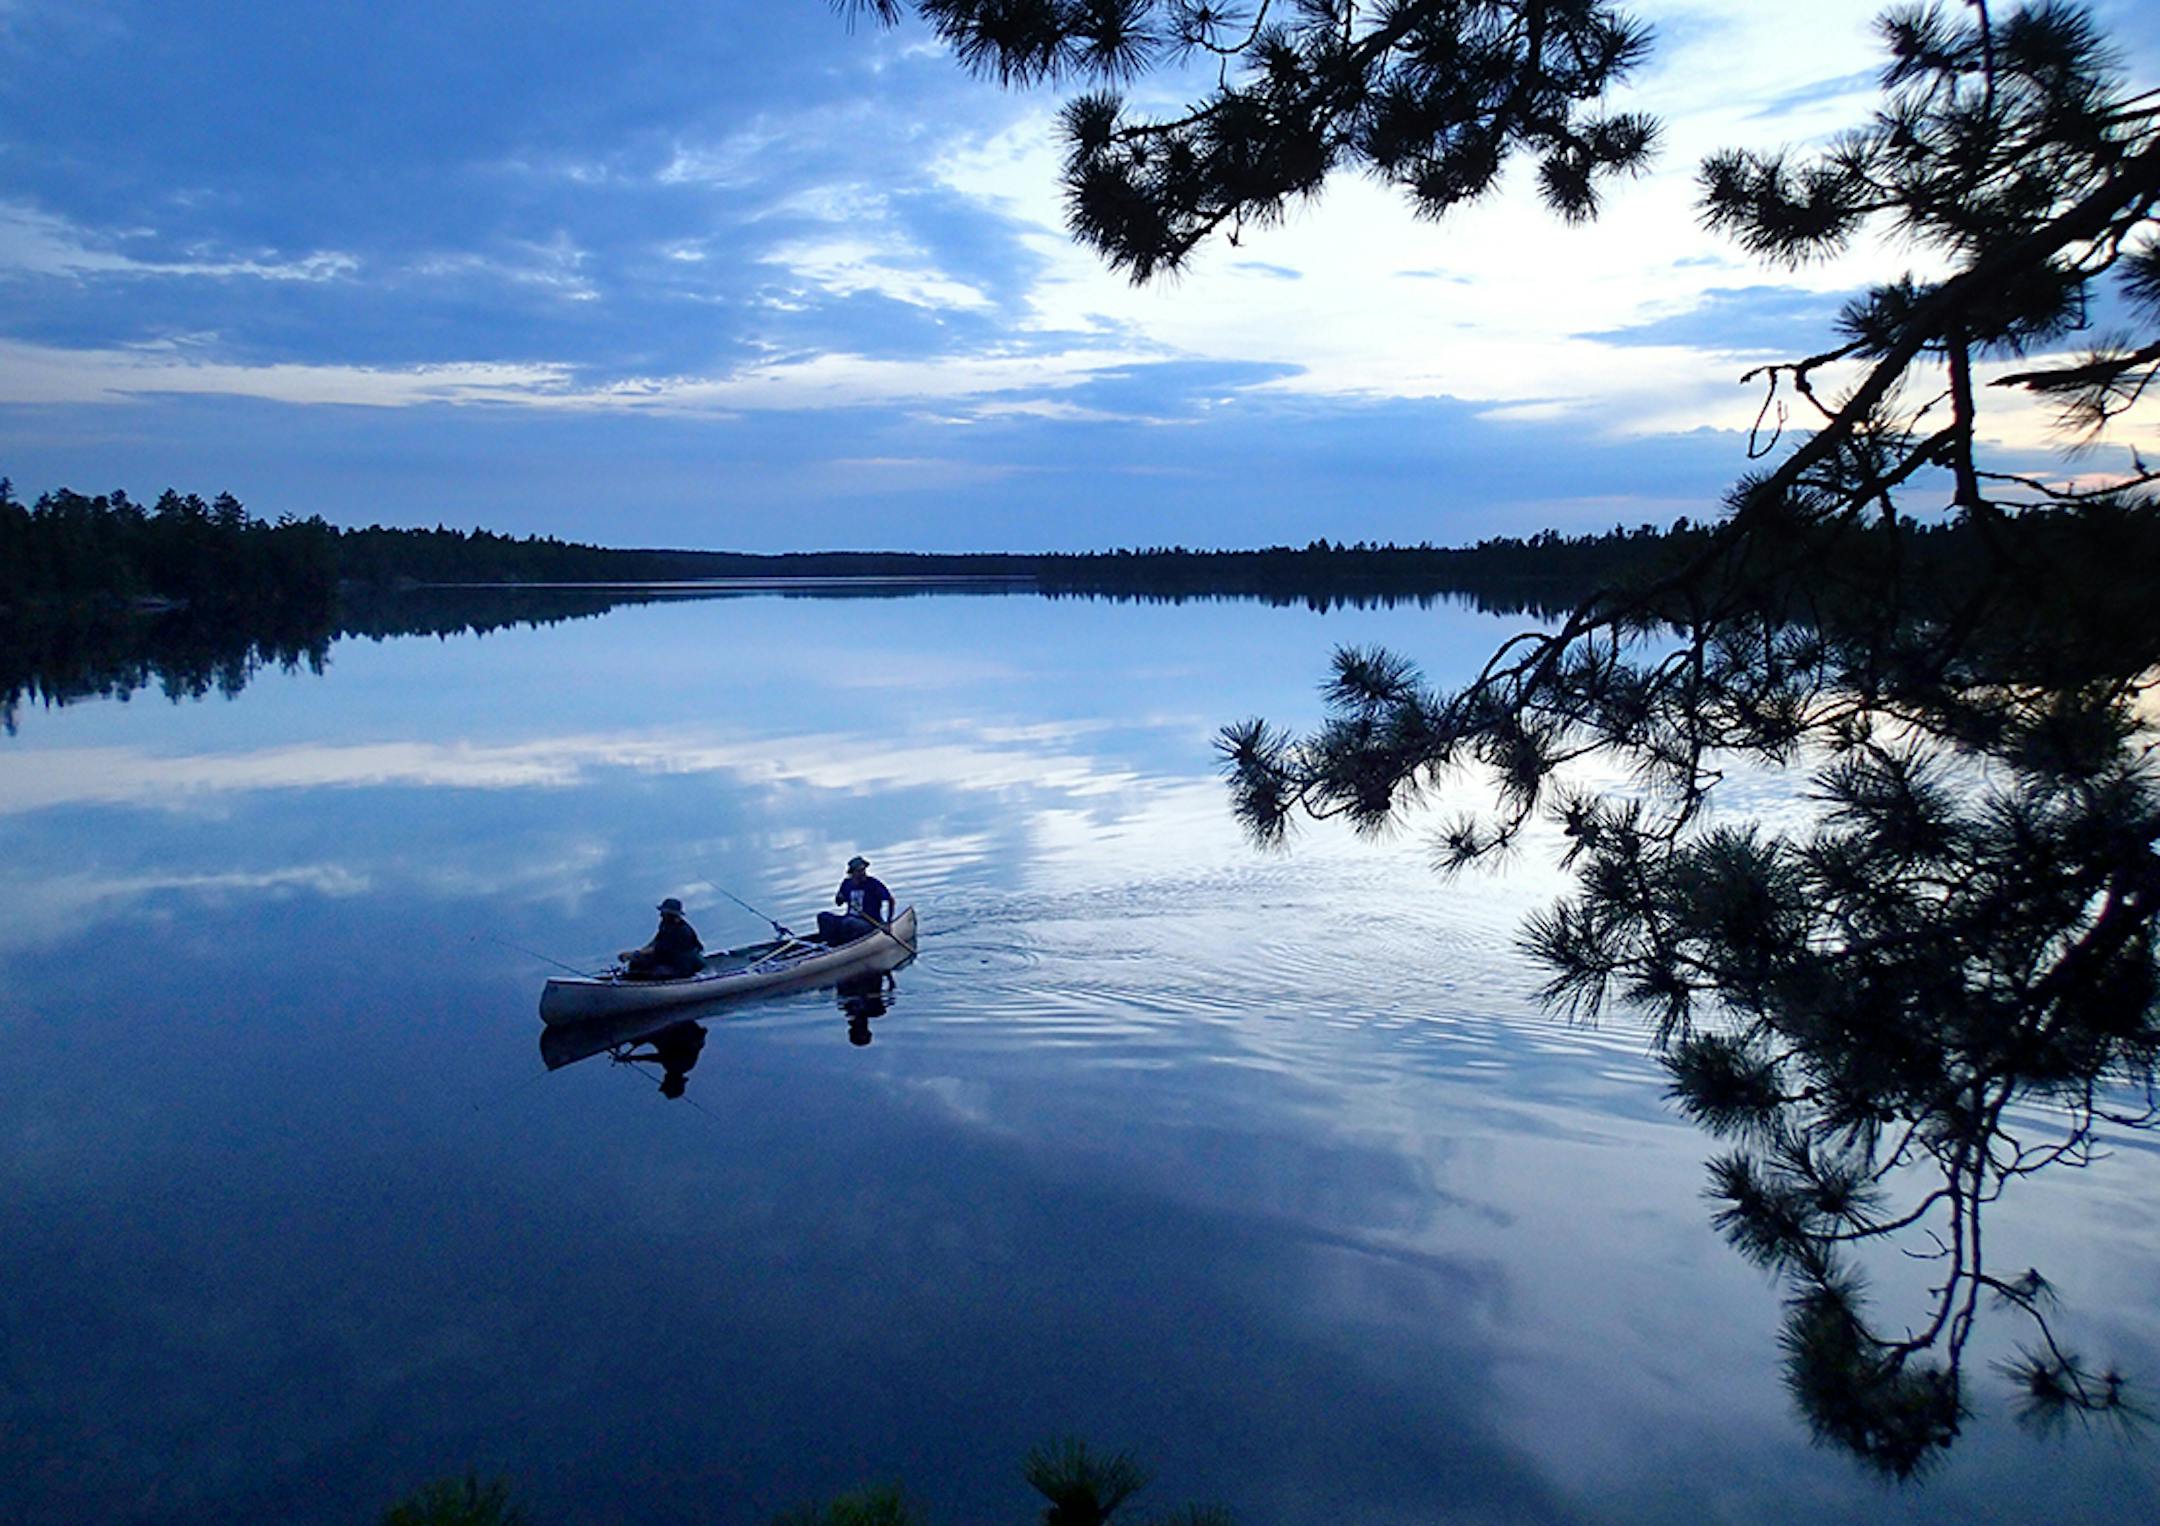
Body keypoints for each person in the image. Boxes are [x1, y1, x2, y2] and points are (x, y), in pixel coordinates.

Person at [817, 855, 894, 945]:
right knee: (823, 917)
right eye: (859, 871)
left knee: (849, 922)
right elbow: (838, 903)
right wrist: (839, 898)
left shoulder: (873, 884)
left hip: (870, 923)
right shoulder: (846, 884)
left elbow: (890, 900)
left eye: (863, 870)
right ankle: (829, 944)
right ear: (852, 873)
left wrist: (888, 923)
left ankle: (843, 943)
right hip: (848, 920)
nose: (863, 873)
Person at [620, 896, 703, 980]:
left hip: (681, 966)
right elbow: (655, 941)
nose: (661, 915)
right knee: (636, 963)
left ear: (671, 914)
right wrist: (638, 953)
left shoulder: (682, 932)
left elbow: (657, 949)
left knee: (653, 973)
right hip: (668, 959)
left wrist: (633, 954)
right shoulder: (666, 924)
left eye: (663, 912)